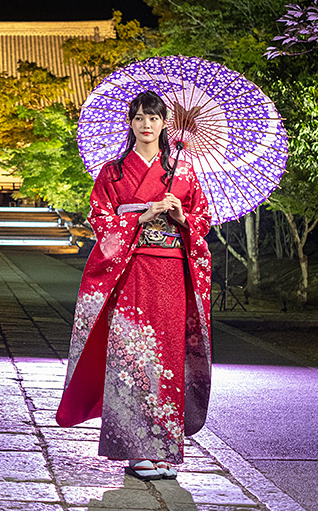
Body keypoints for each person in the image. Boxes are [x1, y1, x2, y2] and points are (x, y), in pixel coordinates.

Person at [55, 90, 213, 481]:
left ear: (164, 124)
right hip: (132, 271)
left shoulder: (184, 172)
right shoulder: (114, 172)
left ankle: (163, 451)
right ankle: (134, 449)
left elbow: (203, 221)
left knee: (167, 360)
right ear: (130, 122)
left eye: (154, 118)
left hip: (172, 273)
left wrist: (180, 216)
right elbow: (101, 219)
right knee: (133, 358)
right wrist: (139, 219)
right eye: (140, 117)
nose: (146, 125)